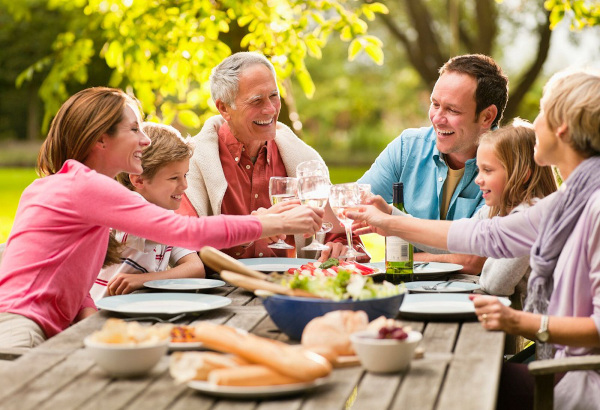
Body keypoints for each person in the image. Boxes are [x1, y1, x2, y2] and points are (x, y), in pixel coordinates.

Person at [348, 69, 600, 410]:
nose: (530, 121)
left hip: (578, 376)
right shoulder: (569, 199)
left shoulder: (593, 206)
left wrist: (519, 322)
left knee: (448, 378)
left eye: (542, 111)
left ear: (562, 129)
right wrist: (389, 219)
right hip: (559, 363)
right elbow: (481, 235)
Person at [0, 87, 323, 349]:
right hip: (21, 327)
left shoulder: (67, 185)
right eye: (133, 129)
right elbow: (184, 231)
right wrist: (275, 223)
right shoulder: (86, 186)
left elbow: (66, 271)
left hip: (39, 326)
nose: (144, 139)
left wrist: (88, 316)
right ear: (101, 139)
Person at [177, 51, 360, 261]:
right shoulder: (193, 163)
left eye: (274, 96)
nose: (270, 109)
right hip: (222, 288)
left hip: (291, 284)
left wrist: (338, 246)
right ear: (224, 108)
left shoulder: (302, 159)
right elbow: (184, 241)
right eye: (256, 101)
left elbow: (341, 235)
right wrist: (253, 229)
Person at [357, 54, 509, 274]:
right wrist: (337, 237)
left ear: (487, 117)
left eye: (452, 110)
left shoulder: (509, 164)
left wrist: (404, 255)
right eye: (435, 104)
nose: (437, 118)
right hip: (407, 292)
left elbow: (473, 259)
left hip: (475, 301)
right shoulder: (408, 147)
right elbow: (354, 206)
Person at [91, 122, 206, 301]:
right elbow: (174, 232)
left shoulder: (167, 214)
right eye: (174, 178)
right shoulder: (128, 207)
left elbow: (195, 268)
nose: (184, 186)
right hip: (101, 311)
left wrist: (144, 280)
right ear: (139, 181)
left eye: (185, 175)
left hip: (136, 306)